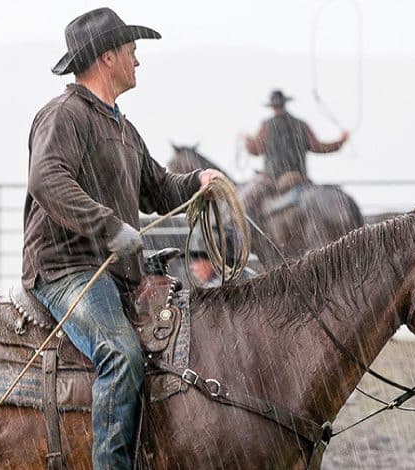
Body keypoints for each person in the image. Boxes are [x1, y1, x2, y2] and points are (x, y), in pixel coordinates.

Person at [21, 8, 224, 469]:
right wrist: (109, 227)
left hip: (113, 273)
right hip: (66, 270)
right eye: (132, 52)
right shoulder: (62, 116)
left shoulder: (123, 128)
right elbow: (47, 180)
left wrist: (197, 183)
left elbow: (157, 187)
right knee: (122, 353)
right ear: (108, 57)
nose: (138, 61)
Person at [241, 89, 349, 218]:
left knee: (244, 202)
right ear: (284, 104)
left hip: (273, 179)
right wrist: (340, 142)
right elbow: (319, 147)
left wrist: (247, 140)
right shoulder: (301, 125)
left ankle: (240, 230)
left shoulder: (267, 126)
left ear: (272, 106)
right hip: (299, 178)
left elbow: (255, 150)